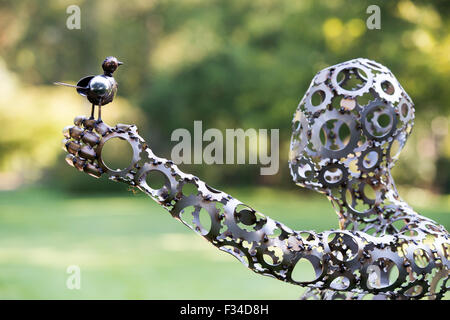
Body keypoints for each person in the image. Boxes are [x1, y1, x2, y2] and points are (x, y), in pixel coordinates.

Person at [62, 58, 449, 300]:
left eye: (324, 124)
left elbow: (283, 251)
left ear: (374, 142)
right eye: (303, 117)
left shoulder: (428, 248)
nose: (302, 135)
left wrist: (144, 168)